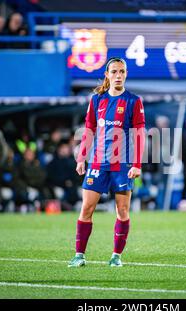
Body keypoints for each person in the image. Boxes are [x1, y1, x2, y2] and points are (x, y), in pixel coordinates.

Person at [68, 57, 145, 268]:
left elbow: (139, 134)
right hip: (98, 164)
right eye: (114, 72)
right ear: (107, 74)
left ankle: (116, 256)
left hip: (122, 165)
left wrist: (137, 164)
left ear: (126, 74)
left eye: (122, 71)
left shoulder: (133, 101)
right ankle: (79, 255)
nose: (118, 75)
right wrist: (82, 157)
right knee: (86, 209)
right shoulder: (96, 100)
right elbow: (89, 130)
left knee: (122, 211)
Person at [46, 140, 80, 210]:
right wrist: (64, 182)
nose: (66, 150)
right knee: (59, 193)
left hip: (72, 185)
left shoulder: (72, 162)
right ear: (59, 149)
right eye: (64, 148)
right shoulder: (53, 162)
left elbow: (76, 175)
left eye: (67, 148)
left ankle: (74, 207)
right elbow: (51, 177)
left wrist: (71, 182)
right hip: (58, 185)